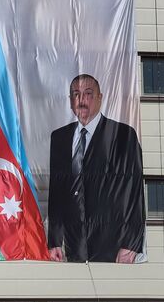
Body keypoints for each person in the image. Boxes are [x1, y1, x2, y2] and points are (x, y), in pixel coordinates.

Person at [47, 74, 145, 263]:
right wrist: (54, 241)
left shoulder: (123, 135)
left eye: (88, 94)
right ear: (70, 101)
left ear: (100, 97)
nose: (81, 100)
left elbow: (135, 193)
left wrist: (131, 243)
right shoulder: (59, 137)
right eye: (76, 94)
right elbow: (56, 193)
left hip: (114, 243)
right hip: (73, 244)